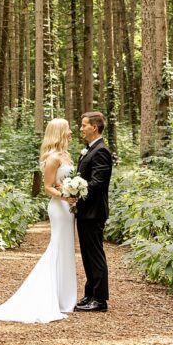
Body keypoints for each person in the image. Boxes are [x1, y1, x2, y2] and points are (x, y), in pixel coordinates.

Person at [0, 118, 77, 323]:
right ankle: (50, 296)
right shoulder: (53, 158)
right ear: (60, 131)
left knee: (67, 247)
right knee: (57, 246)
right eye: (68, 129)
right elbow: (47, 187)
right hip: (59, 207)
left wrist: (72, 192)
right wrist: (64, 196)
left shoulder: (67, 155)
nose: (71, 132)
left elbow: (63, 182)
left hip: (68, 208)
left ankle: (65, 297)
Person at [68, 111, 113, 312]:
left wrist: (77, 192)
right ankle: (89, 294)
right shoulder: (88, 150)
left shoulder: (101, 151)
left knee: (95, 254)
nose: (81, 128)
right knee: (86, 254)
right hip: (85, 211)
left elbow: (98, 183)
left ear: (94, 127)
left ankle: (100, 300)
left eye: (84, 125)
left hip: (94, 211)